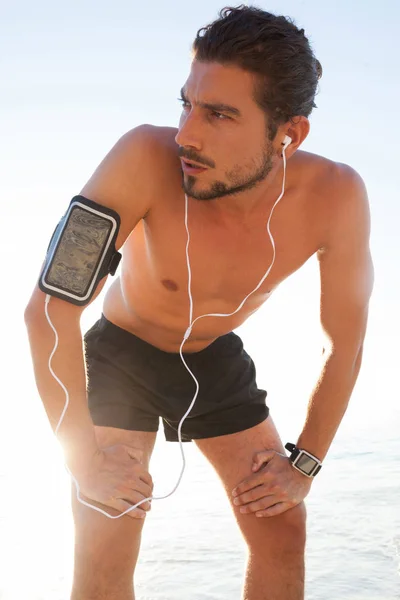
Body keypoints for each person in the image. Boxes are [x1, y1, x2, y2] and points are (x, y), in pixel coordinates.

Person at [24, 6, 374, 600]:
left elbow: (344, 342)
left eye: (218, 114)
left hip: (211, 359)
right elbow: (49, 310)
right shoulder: (140, 157)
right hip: (118, 356)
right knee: (108, 525)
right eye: (186, 104)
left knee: (282, 525)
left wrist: (305, 464)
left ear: (288, 134)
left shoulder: (337, 196)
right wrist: (83, 456)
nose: (187, 132)